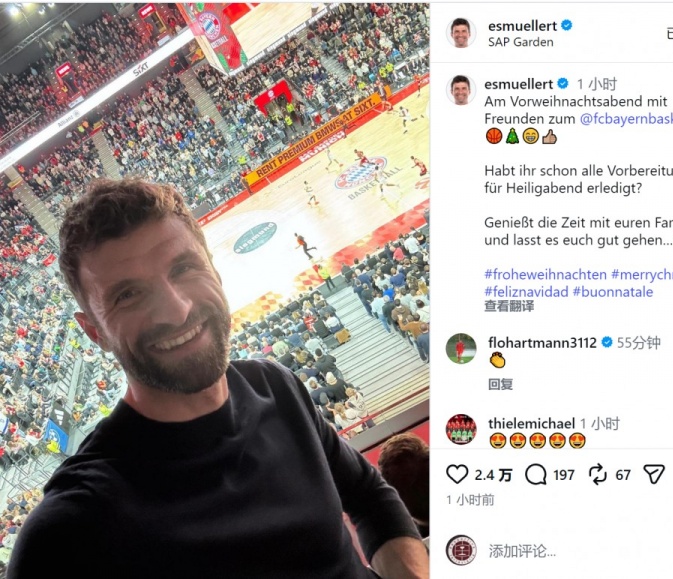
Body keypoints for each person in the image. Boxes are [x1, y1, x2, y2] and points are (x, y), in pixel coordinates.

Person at [7, 179, 428, 579]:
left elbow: (369, 495)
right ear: (94, 331)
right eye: (128, 295)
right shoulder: (71, 527)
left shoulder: (276, 385)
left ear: (215, 270)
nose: (177, 310)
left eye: (184, 268)